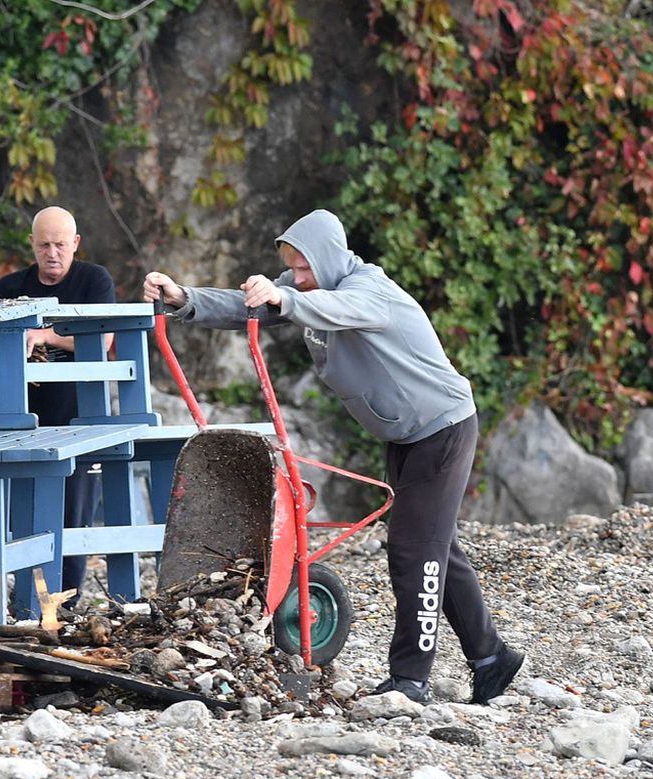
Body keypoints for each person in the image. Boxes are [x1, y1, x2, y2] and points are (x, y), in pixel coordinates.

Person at [142, 209, 524, 706]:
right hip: (406, 433)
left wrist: (286, 297)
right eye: (291, 268)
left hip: (442, 428)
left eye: (303, 267)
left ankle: (411, 679)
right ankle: (492, 658)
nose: (296, 276)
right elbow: (249, 307)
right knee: (436, 547)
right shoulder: (306, 288)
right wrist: (185, 299)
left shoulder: (369, 290)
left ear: (327, 258)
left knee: (414, 550)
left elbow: (336, 308)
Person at [0, 206, 116, 592]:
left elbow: (104, 339)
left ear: (75, 243)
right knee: (20, 516)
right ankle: (26, 598)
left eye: (60, 245)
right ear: (32, 244)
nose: (52, 253)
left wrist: (46, 336)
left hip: (80, 418)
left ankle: (67, 602)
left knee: (74, 516)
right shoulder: (10, 288)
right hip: (23, 420)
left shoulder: (93, 280)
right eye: (44, 245)